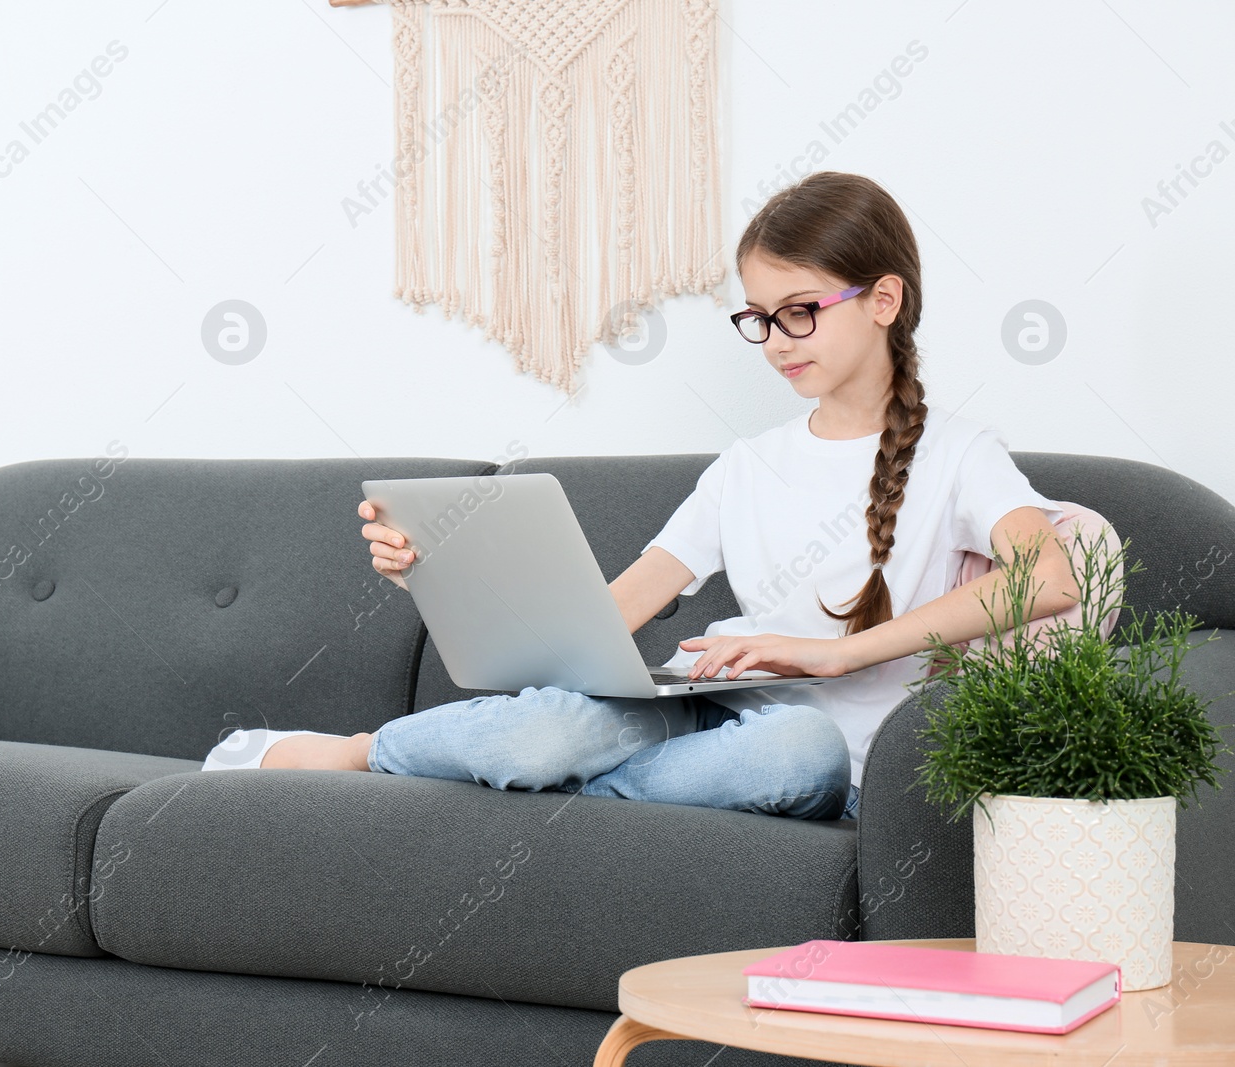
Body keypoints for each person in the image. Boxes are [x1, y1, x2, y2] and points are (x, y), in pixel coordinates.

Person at [200, 170, 1082, 822]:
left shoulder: (962, 454)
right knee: (538, 734)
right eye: (758, 317)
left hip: (819, 754)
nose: (776, 341)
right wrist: (433, 580)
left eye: (800, 310)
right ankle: (356, 754)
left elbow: (1048, 577)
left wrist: (835, 656)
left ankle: (555, 793)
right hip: (695, 711)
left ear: (884, 298)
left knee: (797, 743)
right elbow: (614, 611)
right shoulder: (747, 464)